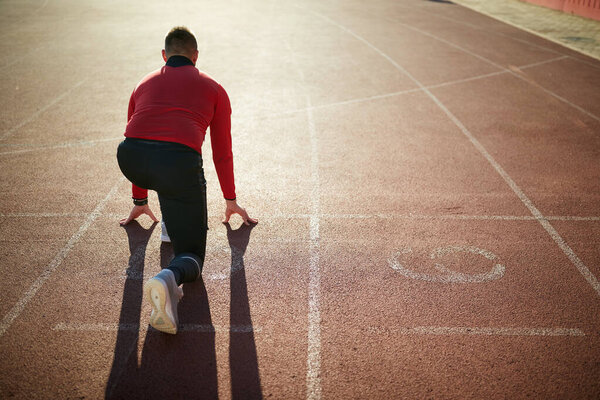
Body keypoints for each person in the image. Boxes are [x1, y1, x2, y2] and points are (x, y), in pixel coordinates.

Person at [117, 26, 257, 334]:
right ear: (195, 56)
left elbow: (139, 137)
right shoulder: (215, 88)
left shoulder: (143, 83)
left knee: (165, 176)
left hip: (129, 157)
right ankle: (168, 277)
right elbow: (222, 152)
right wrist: (230, 200)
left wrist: (139, 200)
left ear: (164, 56)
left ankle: (170, 222)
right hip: (177, 164)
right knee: (191, 256)